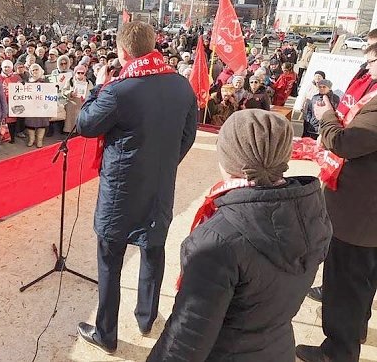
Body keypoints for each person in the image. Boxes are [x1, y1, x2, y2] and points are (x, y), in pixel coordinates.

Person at [147, 109, 331, 361]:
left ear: (230, 159)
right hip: (276, 348)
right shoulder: (308, 210)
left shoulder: (216, 242)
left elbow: (185, 339)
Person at [76, 21, 198, 354]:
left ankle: (106, 333)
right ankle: (146, 317)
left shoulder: (117, 89)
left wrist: (96, 89)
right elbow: (188, 136)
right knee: (152, 250)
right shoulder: (181, 85)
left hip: (120, 189)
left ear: (124, 51)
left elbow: (86, 125)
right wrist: (164, 163)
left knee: (109, 259)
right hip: (160, 185)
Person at [296, 43, 377, 362]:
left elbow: (345, 143)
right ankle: (355, 329)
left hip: (359, 215)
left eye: (373, 61)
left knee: (344, 284)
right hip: (364, 211)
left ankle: (337, 352)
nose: (368, 68)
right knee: (362, 281)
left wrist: (325, 114)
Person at [0, 60, 22, 143]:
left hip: (12, 102)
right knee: (1, 120)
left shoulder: (16, 77)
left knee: (12, 121)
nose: (6, 69)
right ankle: (0, 137)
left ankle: (12, 137)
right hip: (0, 102)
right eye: (5, 67)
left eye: (8, 67)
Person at [62, 64, 93, 133]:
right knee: (70, 123)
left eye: (82, 73)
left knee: (80, 122)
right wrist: (71, 93)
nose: (80, 74)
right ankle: (69, 134)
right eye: (78, 72)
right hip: (71, 105)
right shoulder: (70, 81)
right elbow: (64, 91)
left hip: (82, 105)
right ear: (75, 72)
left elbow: (92, 93)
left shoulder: (88, 82)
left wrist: (86, 97)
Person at [24, 64, 49, 148]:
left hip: (42, 106)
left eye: (36, 69)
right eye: (33, 70)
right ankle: (31, 139)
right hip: (31, 106)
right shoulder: (28, 81)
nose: (34, 71)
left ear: (40, 70)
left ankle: (39, 140)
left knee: (42, 123)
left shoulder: (45, 80)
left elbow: (50, 91)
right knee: (30, 123)